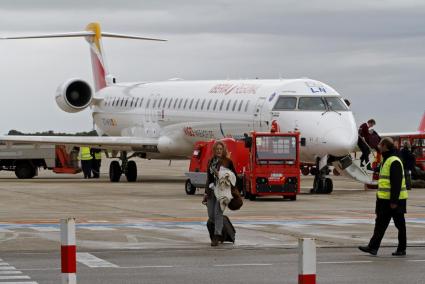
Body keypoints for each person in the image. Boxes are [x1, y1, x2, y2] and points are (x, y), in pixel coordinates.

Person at [358, 137, 408, 256]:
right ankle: (372, 247)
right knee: (380, 224)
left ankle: (402, 249)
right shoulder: (386, 159)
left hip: (395, 200)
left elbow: (396, 182)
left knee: (400, 225)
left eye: (380, 145)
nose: (379, 147)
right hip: (384, 200)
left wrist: (394, 201)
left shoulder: (394, 160)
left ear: (385, 146)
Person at [202, 141, 237, 247]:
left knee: (218, 213)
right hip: (212, 191)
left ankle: (216, 236)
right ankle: (223, 230)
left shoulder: (228, 162)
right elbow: (209, 178)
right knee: (211, 215)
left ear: (223, 150)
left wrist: (221, 174)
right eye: (217, 149)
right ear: (214, 150)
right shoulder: (211, 161)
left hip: (222, 191)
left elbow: (233, 176)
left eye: (220, 149)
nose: (219, 151)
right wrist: (206, 192)